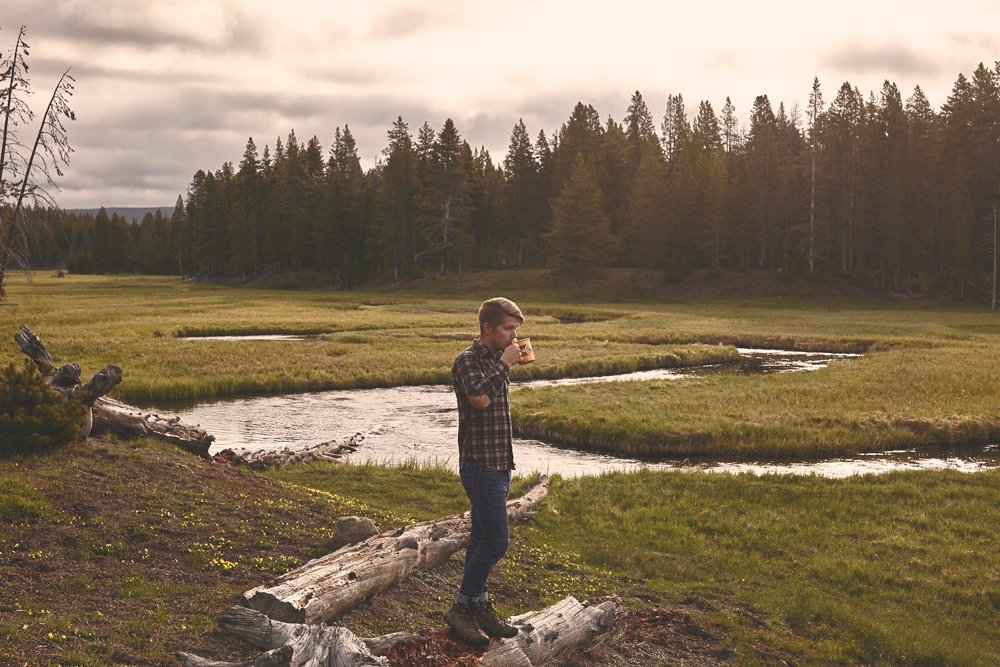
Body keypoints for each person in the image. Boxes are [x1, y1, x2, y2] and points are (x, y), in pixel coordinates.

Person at [443, 297, 524, 647]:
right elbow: (479, 398)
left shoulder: (493, 361)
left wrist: (503, 363)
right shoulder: (467, 360)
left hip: (499, 462)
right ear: (488, 328)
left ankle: (479, 606)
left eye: (516, 330)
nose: (514, 336)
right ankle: (462, 608)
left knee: (479, 538)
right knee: (496, 541)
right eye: (508, 329)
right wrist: (505, 365)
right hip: (479, 464)